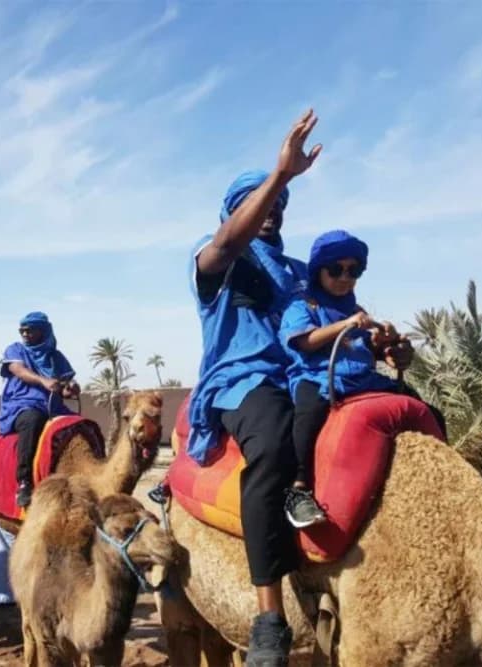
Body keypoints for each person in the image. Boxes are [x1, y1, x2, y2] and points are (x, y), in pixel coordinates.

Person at [187, 109, 322, 666]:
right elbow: (228, 240)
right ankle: (270, 616)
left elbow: (327, 317)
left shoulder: (297, 271)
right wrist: (281, 176)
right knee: (271, 445)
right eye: (261, 205)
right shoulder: (216, 258)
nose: (272, 214)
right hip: (243, 379)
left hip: (302, 374)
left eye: (279, 207)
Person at [278, 229, 435, 528]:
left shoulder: (355, 310)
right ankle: (298, 488)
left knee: (424, 409)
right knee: (308, 415)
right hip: (318, 379)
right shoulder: (301, 306)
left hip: (364, 381)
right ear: (319, 270)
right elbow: (305, 342)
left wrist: (388, 345)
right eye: (336, 269)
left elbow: (369, 347)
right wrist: (345, 324)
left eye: (354, 271)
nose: (345, 277)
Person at [0, 312, 80, 508]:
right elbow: (19, 370)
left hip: (54, 407)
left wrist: (70, 389)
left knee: (81, 426)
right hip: (23, 404)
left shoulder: (56, 357)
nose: (25, 334)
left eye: (29, 330)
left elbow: (64, 387)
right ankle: (24, 482)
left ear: (43, 331)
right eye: (22, 331)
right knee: (32, 421)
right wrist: (43, 380)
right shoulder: (15, 350)